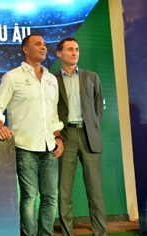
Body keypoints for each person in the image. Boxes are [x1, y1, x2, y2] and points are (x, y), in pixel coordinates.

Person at [0, 33, 64, 236]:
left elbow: (54, 113)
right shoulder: (12, 77)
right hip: (24, 147)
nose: (43, 47)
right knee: (30, 196)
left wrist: (58, 136)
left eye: (45, 44)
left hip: (50, 147)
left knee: (51, 197)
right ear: (25, 49)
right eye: (38, 44)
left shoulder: (51, 79)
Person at [55, 37, 107, 236]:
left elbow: (98, 110)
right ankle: (68, 233)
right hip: (65, 137)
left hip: (89, 137)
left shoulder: (92, 77)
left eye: (76, 49)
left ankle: (100, 233)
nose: (74, 53)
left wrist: (91, 128)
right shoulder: (52, 80)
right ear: (59, 53)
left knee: (95, 192)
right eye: (69, 49)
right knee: (64, 191)